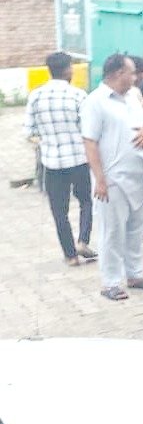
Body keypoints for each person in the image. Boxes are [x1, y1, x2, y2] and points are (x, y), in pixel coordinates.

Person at [81, 54, 143, 300]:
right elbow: (90, 142)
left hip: (138, 175)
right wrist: (100, 179)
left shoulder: (132, 98)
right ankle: (111, 282)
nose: (136, 77)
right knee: (112, 231)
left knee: (135, 228)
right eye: (131, 72)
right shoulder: (95, 102)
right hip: (112, 179)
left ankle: (135, 274)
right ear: (117, 73)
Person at [24, 52, 96, 266]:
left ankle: (70, 255)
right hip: (79, 159)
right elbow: (89, 128)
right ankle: (83, 240)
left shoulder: (36, 96)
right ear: (68, 70)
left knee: (59, 210)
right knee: (86, 201)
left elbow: (29, 132)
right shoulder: (78, 95)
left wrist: (46, 140)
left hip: (51, 162)